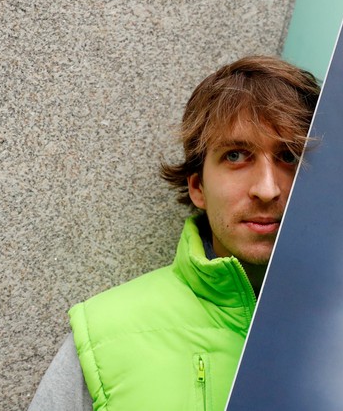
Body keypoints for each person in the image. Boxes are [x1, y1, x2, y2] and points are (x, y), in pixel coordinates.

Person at [29, 55, 320, 410]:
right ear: (197, 186)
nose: (267, 188)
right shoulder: (104, 338)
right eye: (236, 155)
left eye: (289, 156)